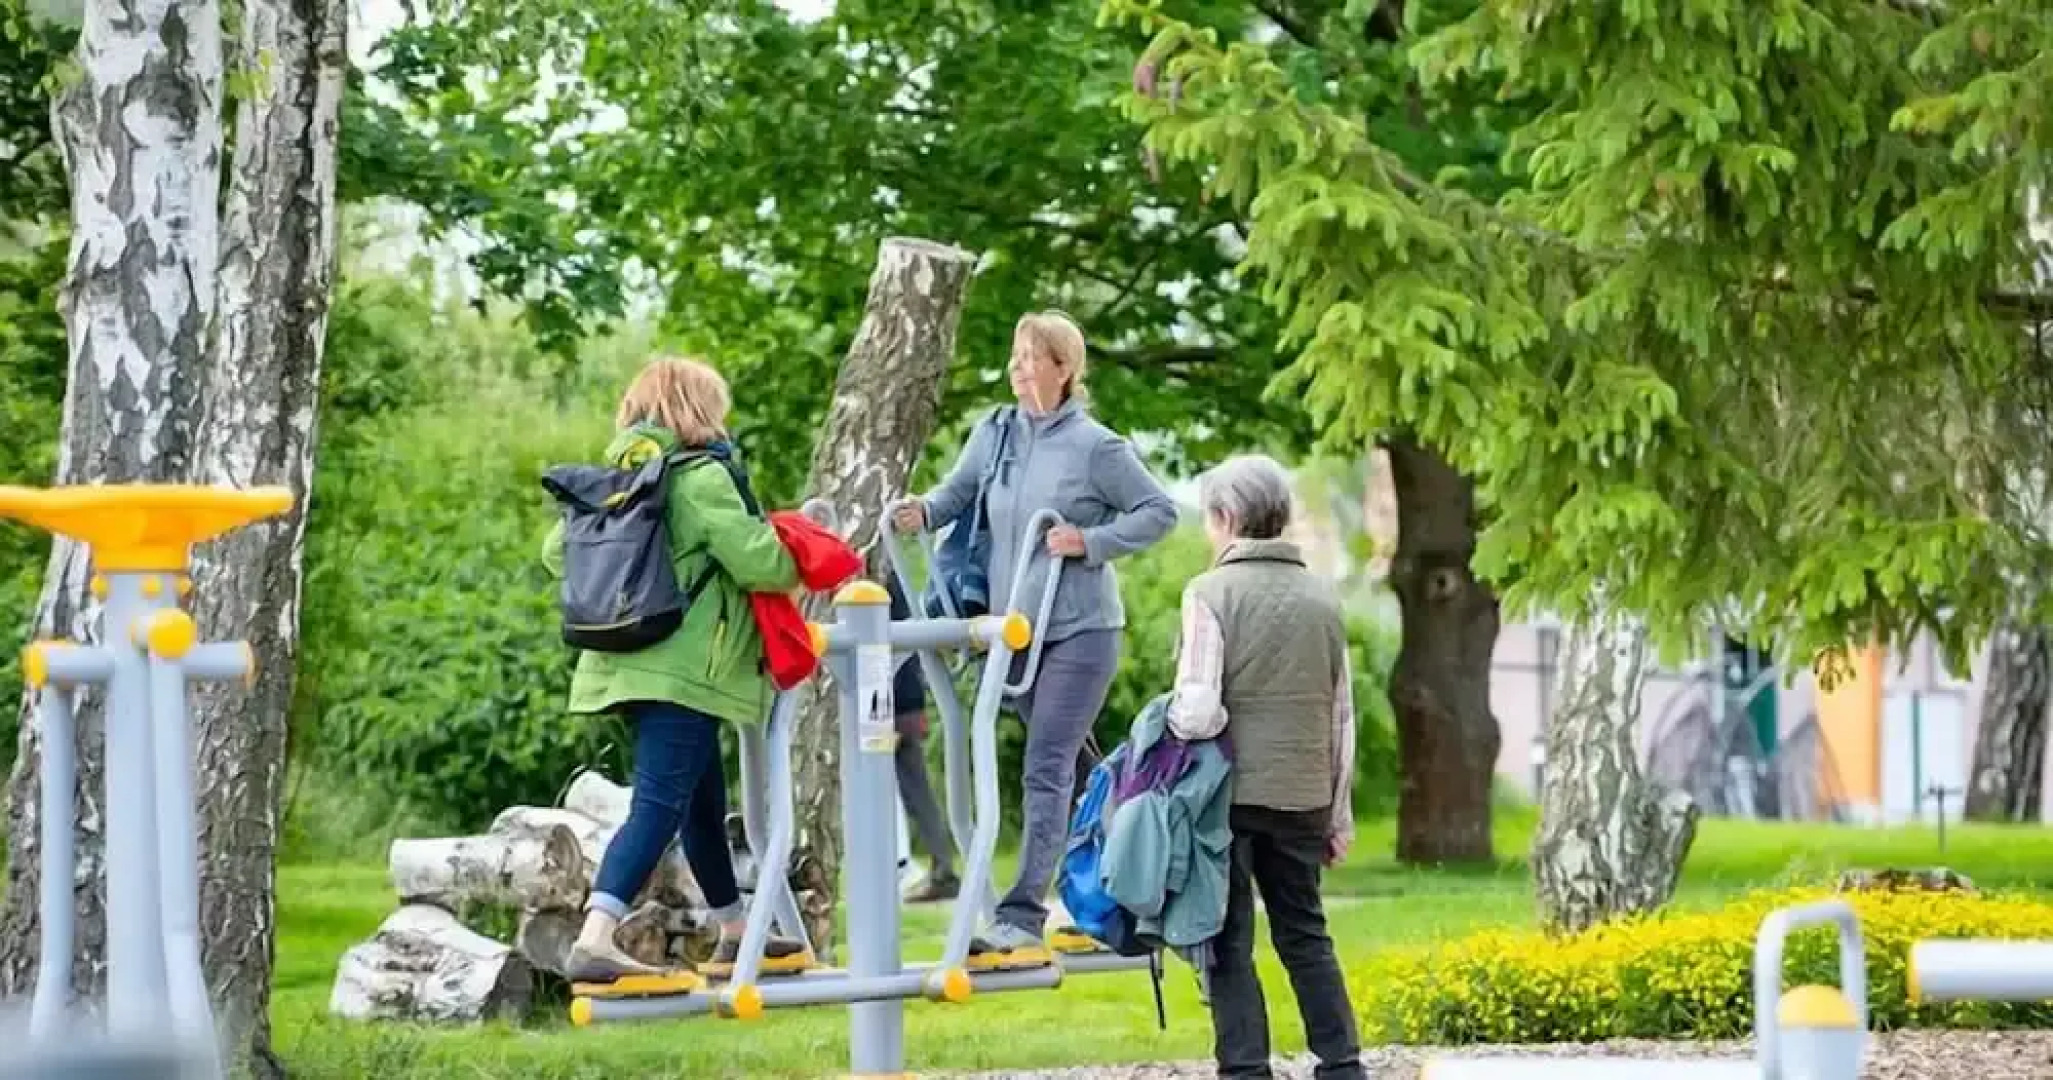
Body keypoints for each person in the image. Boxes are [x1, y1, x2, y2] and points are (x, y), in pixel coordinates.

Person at [892, 310, 1177, 967]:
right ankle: (1132, 889)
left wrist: (1090, 542)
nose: (1018, 369)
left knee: (1044, 767)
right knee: (1078, 774)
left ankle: (1020, 916)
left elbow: (1158, 511)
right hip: (1013, 630)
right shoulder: (994, 433)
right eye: (1014, 357)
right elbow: (957, 494)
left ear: (1064, 369)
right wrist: (921, 511)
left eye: (1031, 357)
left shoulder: (1096, 447)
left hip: (1079, 631)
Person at [542, 356, 812, 985]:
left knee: (699, 801)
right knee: (660, 806)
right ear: (695, 411)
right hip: (686, 669)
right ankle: (597, 934)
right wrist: (802, 547)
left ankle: (737, 931)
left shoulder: (611, 479)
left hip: (625, 661)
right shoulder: (700, 477)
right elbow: (760, 564)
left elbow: (558, 556)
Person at [1166, 454, 1363, 1080]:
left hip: (1230, 799)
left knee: (1228, 942)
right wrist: (1338, 814)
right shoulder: (1323, 597)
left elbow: (1197, 712)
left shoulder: (1210, 593)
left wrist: (1166, 721)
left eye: (1208, 518)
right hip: (1304, 797)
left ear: (1225, 518)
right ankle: (1341, 1063)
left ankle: (1246, 1070)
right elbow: (1341, 717)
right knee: (1306, 935)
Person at [887, 574, 962, 902]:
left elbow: (897, 652)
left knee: (915, 792)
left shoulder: (884, 587)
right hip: (901, 701)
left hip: (895, 705)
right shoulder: (897, 584)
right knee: (914, 792)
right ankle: (939, 867)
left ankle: (942, 869)